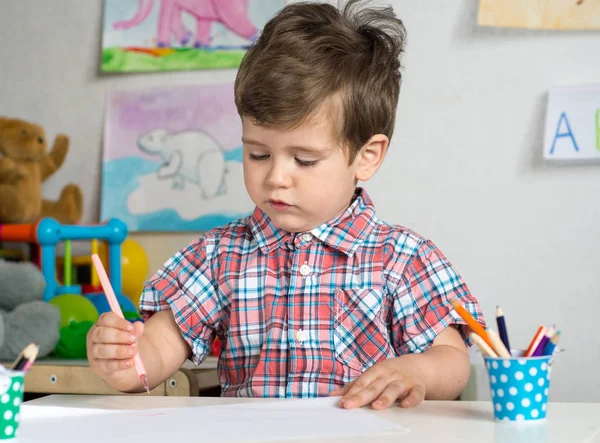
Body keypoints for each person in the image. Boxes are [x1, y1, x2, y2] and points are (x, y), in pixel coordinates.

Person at [87, 0, 485, 410]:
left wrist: (415, 372)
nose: (276, 176)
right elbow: (158, 349)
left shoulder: (403, 258)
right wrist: (126, 359)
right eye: (258, 154)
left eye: (305, 160)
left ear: (366, 156)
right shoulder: (218, 255)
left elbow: (454, 363)